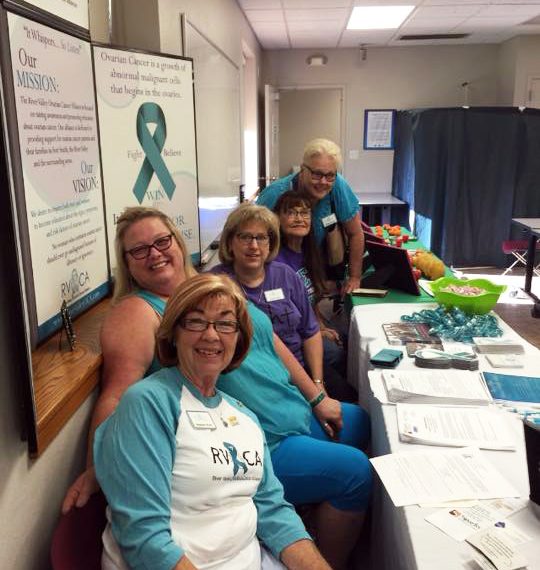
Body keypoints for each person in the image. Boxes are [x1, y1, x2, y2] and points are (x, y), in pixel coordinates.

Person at [62, 207, 371, 569]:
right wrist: (99, 467)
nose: (155, 254)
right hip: (258, 439)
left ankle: (313, 520)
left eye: (162, 241)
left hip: (262, 421)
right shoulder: (137, 314)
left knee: (362, 422)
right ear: (127, 263)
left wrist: (317, 395)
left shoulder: (211, 286)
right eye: (140, 250)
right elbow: (116, 394)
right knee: (354, 472)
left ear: (178, 243)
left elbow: (270, 342)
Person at [94, 273, 330, 569]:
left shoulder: (245, 417)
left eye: (225, 323)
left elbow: (274, 513)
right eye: (195, 321)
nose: (211, 335)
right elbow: (145, 539)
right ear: (173, 333)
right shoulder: (149, 403)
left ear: (239, 337)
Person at [213, 202, 324, 384]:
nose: (254, 246)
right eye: (245, 237)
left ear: (270, 244)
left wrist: (318, 382)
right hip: (249, 379)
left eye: (261, 238)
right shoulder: (215, 283)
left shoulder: (286, 275)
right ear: (230, 242)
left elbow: (310, 331)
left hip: (299, 374)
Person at [273, 190, 357, 402]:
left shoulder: (306, 253)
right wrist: (316, 332)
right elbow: (285, 318)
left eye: (304, 213)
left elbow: (309, 301)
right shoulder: (277, 262)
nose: (299, 218)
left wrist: (320, 325)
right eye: (291, 213)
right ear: (277, 219)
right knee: (336, 353)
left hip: (308, 325)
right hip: (293, 338)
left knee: (348, 339)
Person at [257, 138, 365, 295]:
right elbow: (253, 238)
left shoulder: (337, 185)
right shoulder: (274, 194)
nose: (323, 182)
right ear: (302, 170)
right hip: (277, 265)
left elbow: (355, 233)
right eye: (317, 174)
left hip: (314, 261)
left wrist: (354, 277)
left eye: (330, 175)